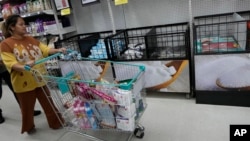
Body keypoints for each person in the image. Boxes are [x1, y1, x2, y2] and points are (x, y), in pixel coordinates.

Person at [0, 14, 66, 134]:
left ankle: (56, 122)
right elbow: (10, 62)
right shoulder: (6, 44)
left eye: (24, 24)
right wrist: (23, 66)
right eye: (21, 24)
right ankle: (29, 127)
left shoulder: (30, 39)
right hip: (23, 82)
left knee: (49, 103)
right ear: (12, 27)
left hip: (39, 77)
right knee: (27, 109)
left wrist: (57, 50)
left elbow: (44, 49)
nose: (24, 26)